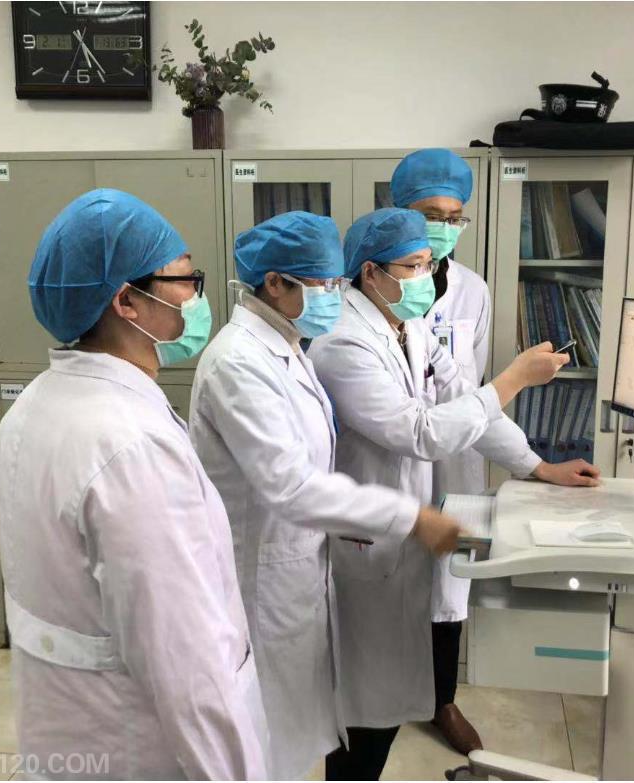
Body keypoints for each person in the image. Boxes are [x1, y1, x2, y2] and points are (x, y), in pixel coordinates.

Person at [307, 208, 601, 780]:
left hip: (401, 532)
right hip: (366, 539)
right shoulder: (343, 343)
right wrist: (514, 378)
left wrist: (538, 465)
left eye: (429, 264)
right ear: (370, 272)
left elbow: (463, 398)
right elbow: (420, 433)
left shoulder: (407, 325)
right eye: (414, 266)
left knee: (388, 693)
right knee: (366, 704)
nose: (428, 276)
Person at [0, 189, 268, 780]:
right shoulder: (131, 446)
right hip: (137, 745)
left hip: (68, 731)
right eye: (185, 278)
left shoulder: (32, 407)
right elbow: (184, 660)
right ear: (127, 302)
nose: (197, 295)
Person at [188, 211, 463, 780]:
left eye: (338, 281)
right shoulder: (238, 362)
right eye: (324, 283)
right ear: (274, 283)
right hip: (261, 582)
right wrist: (409, 516)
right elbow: (291, 485)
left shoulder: (286, 347)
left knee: (303, 730)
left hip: (301, 569)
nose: (336, 295)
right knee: (265, 744)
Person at [391, 147, 492, 752]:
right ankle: (387, 691)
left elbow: (473, 386)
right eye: (432, 215)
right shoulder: (369, 284)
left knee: (450, 581)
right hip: (390, 452)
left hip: (454, 456)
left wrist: (535, 462)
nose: (445, 228)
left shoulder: (473, 291)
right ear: (401, 211)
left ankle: (441, 701)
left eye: (456, 218)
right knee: (386, 575)